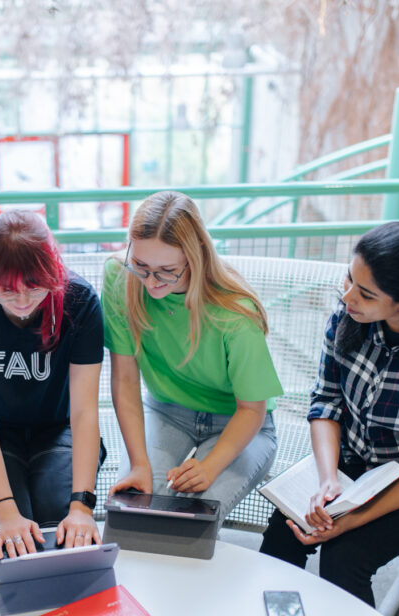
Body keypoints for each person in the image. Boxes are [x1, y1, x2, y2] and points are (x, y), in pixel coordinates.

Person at [259, 221, 399, 606]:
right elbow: (326, 402)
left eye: (365, 293)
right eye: (349, 279)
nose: (348, 297)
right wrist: (328, 479)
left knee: (344, 556)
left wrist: (349, 519)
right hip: (353, 463)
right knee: (286, 528)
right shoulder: (349, 315)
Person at [103, 190, 282, 524]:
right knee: (136, 511)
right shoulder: (119, 277)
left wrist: (210, 466)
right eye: (141, 265)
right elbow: (125, 378)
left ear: (195, 256)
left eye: (166, 270)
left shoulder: (235, 313)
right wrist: (140, 463)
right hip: (166, 410)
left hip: (240, 423)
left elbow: (252, 409)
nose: (151, 283)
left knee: (188, 519)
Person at [0, 210, 105, 559]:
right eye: (7, 291)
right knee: (15, 539)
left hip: (58, 429)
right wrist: (6, 512)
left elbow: (86, 411)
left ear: (52, 272)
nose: (24, 302)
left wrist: (82, 507)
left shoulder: (80, 301)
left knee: (57, 525)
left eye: (34, 287)